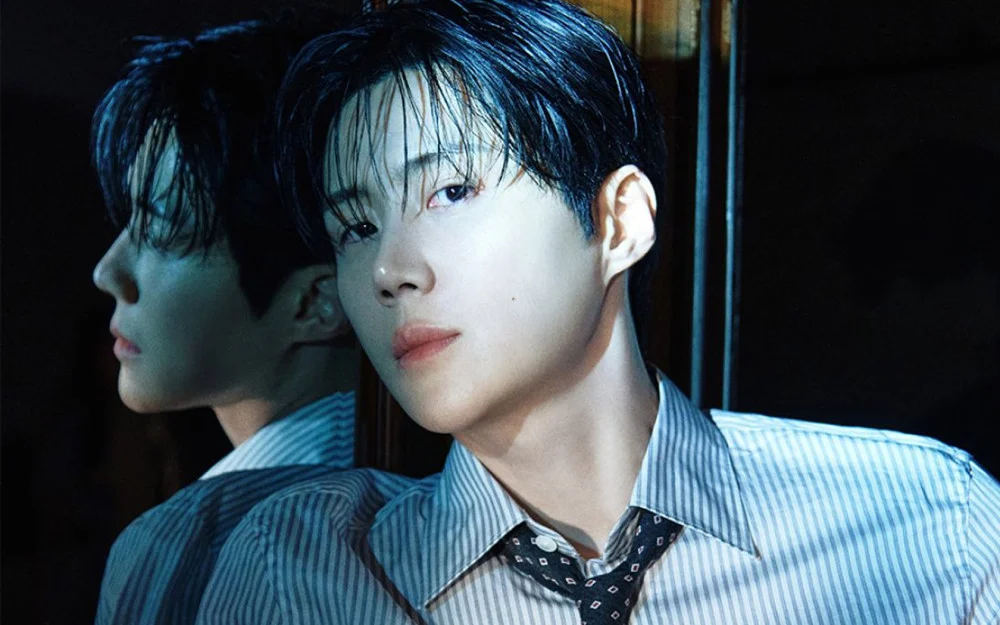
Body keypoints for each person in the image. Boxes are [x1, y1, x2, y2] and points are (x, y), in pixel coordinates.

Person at [196, 1, 1000, 623]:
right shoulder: (299, 569)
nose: (388, 270)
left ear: (618, 223)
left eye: (451, 190)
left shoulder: (929, 523)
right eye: (355, 227)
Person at [90, 14, 360, 625]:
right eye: (130, 222)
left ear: (316, 302)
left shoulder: (195, 544)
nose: (108, 271)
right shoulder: (431, 488)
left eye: (162, 232)